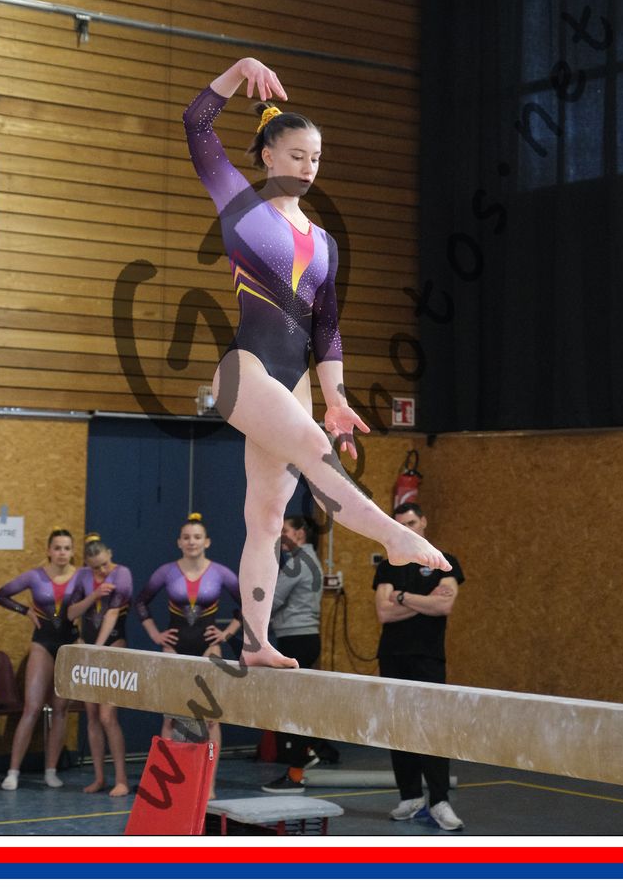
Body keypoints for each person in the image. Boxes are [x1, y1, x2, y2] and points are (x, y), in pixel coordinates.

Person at [183, 57, 451, 668]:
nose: (308, 167)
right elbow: (196, 124)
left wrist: (336, 398)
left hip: (295, 379)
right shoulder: (240, 206)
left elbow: (326, 325)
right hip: (244, 372)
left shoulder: (324, 242)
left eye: (316, 159)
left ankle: (255, 644)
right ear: (268, 156)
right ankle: (393, 533)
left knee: (267, 517)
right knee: (310, 447)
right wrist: (238, 70)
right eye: (297, 155)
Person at [372, 501, 466, 831]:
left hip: (428, 656)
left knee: (433, 727)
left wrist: (401, 597)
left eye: (411, 523)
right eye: (400, 525)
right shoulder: (388, 566)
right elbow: (383, 613)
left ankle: (439, 801)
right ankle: (410, 796)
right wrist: (424, 601)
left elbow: (444, 606)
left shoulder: (444, 562)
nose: (407, 530)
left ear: (423, 522)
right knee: (398, 727)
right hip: (393, 655)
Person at [136, 513, 241, 795]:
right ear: (179, 542)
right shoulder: (166, 572)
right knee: (170, 719)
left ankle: (208, 784)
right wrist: (155, 634)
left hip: (209, 649)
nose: (191, 541)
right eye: (186, 537)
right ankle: (169, 782)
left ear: (207, 542)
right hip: (174, 648)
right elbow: (141, 602)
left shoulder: (220, 573)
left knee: (212, 720)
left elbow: (246, 605)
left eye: (197, 537)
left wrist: (226, 633)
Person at [0, 528, 80, 790]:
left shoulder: (81, 576)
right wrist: (25, 610)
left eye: (66, 548)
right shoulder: (35, 576)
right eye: (57, 548)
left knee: (60, 710)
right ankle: (13, 771)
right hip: (42, 644)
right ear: (49, 551)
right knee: (32, 708)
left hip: (69, 645)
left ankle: (50, 770)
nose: (62, 553)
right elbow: (0, 595)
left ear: (72, 551)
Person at [260, 515, 326, 793]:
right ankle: (305, 754)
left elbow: (273, 599)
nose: (281, 536)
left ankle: (297, 771)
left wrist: (248, 623)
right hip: (300, 639)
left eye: (284, 530)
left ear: (300, 533)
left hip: (297, 640)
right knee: (293, 704)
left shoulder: (299, 563)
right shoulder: (306, 560)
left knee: (291, 707)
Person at [67, 533, 133, 797]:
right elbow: (71, 613)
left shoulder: (122, 574)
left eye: (105, 564)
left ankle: (121, 779)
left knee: (107, 716)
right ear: (87, 564)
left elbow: (113, 613)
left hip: (113, 647)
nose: (103, 570)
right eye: (96, 568)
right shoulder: (82, 576)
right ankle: (99, 778)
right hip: (90, 651)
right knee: (92, 716)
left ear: (110, 554)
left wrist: (97, 649)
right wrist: (94, 595)